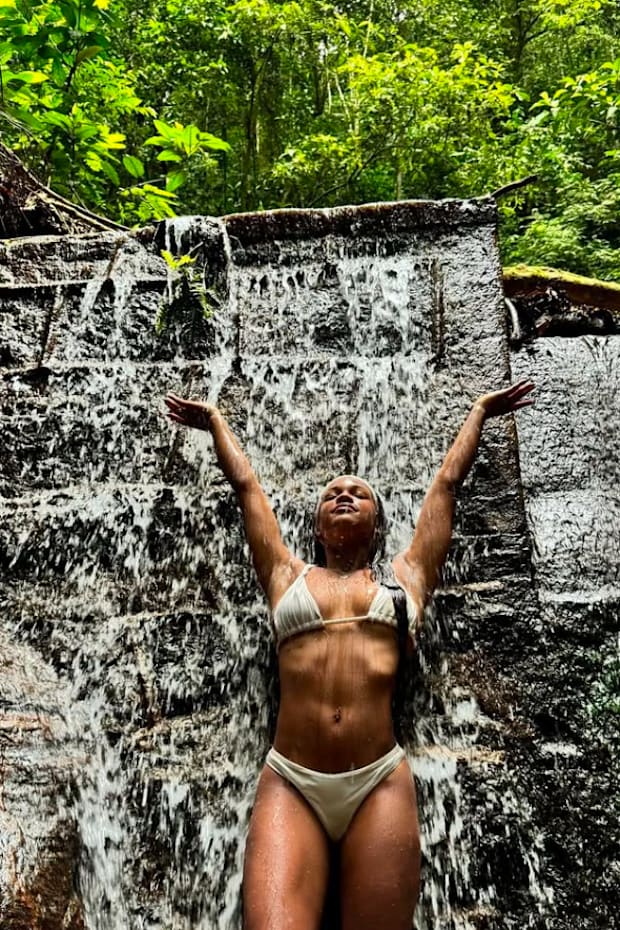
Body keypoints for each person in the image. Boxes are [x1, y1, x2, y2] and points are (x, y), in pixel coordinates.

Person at [164, 380, 534, 930]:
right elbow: (246, 487)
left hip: (378, 781)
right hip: (291, 778)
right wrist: (217, 421)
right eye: (332, 492)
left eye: (358, 493)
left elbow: (447, 486)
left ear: (378, 523)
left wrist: (479, 411)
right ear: (316, 526)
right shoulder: (286, 575)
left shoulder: (404, 578)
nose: (343, 494)